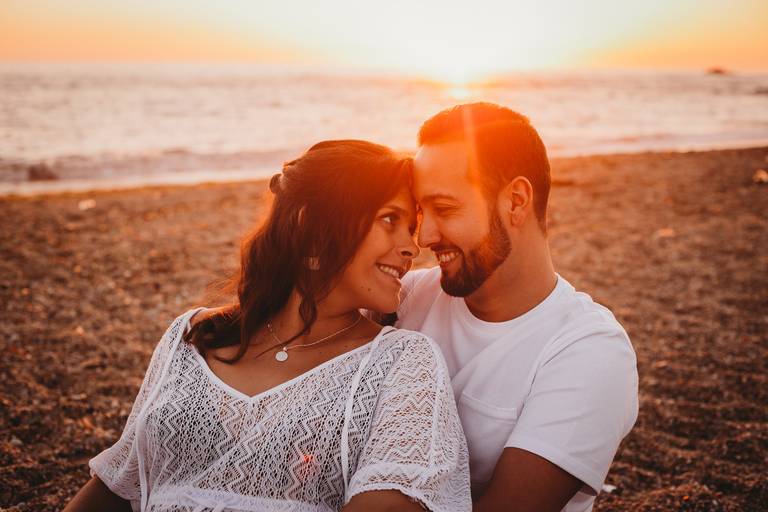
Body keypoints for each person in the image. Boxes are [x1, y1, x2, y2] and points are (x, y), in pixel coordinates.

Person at [64, 140, 471, 512]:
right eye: (389, 219)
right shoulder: (190, 337)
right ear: (310, 226)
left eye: (411, 227)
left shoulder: (403, 361)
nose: (411, 247)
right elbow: (119, 483)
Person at [395, 103, 639, 512]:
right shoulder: (403, 299)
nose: (424, 236)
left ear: (516, 201)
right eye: (421, 211)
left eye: (446, 209)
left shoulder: (589, 351)